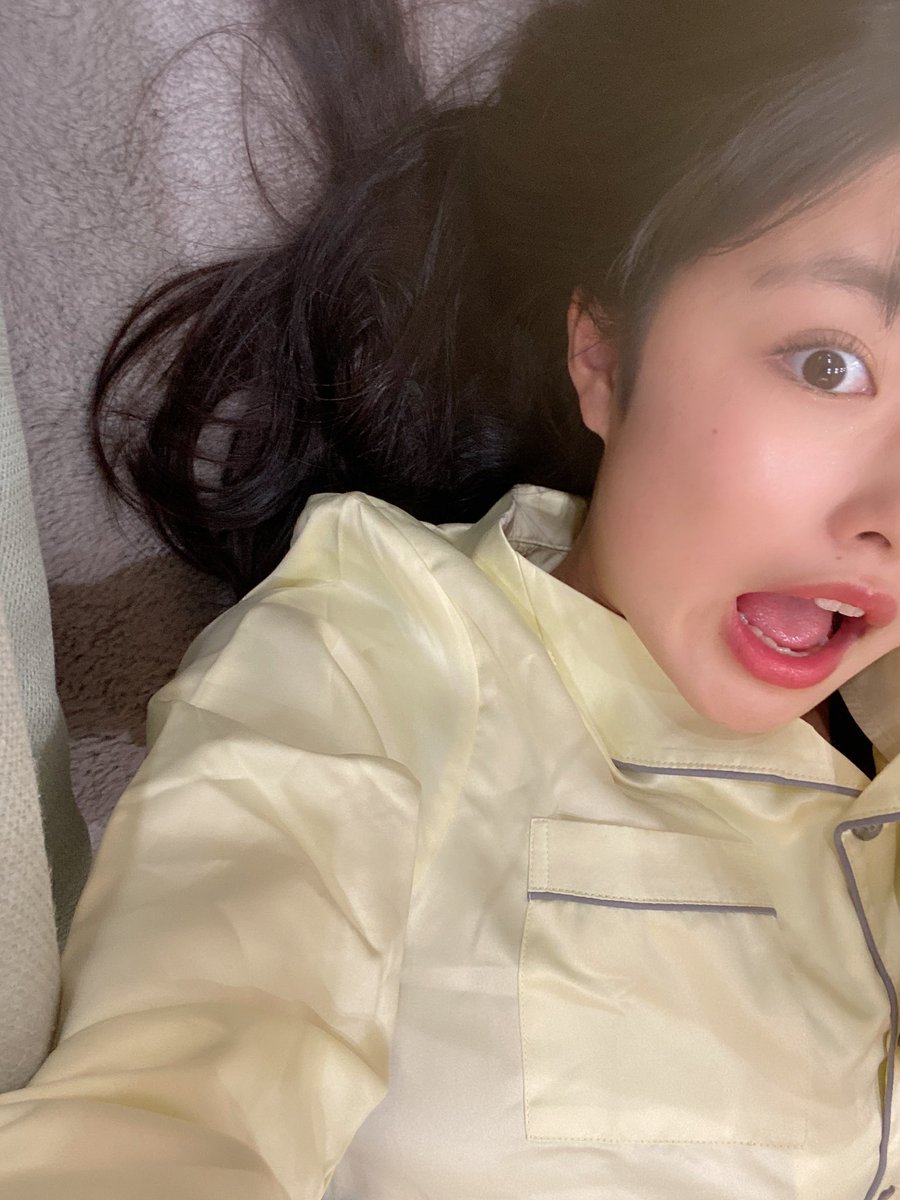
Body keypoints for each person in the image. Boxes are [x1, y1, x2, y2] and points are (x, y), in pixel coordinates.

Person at [1, 0, 900, 1196]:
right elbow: (167, 1092)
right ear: (602, 348)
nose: (888, 516)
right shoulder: (379, 648)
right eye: (829, 363)